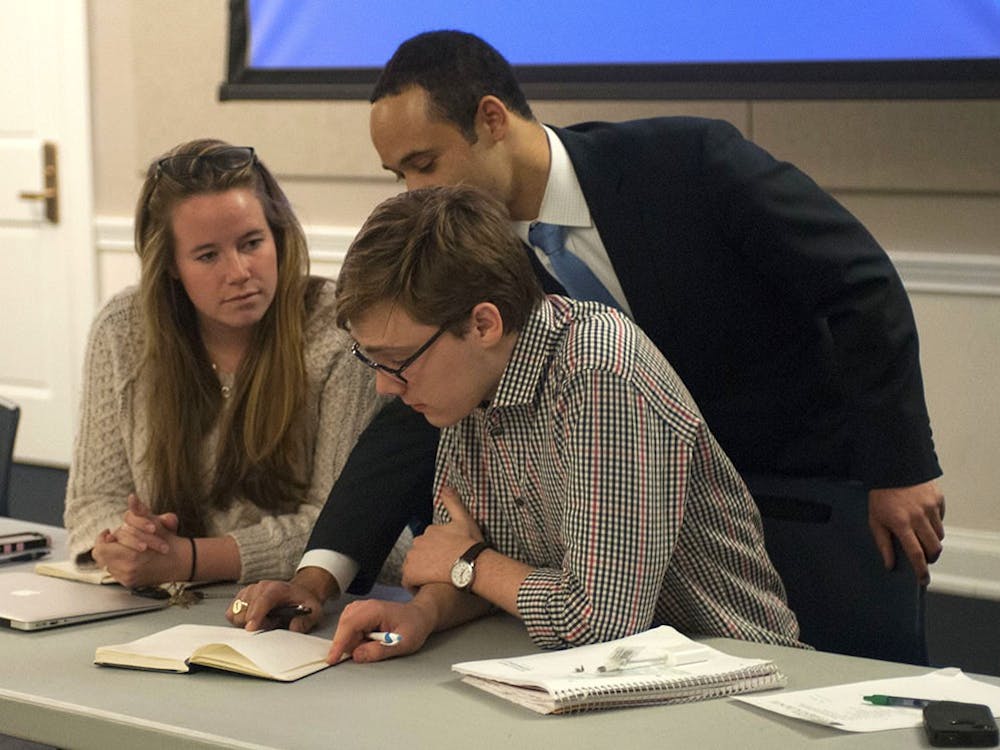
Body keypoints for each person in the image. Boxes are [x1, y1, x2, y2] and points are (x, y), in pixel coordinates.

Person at [231, 29, 945, 630]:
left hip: (805, 481)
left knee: (853, 694)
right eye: (399, 175)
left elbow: (857, 282)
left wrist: (901, 465)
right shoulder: (467, 261)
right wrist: (320, 575)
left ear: (491, 120)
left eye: (425, 163)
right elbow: (410, 410)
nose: (416, 192)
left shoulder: (686, 163)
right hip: (625, 538)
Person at [315, 185, 800, 660]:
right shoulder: (467, 389)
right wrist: (423, 614)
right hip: (598, 675)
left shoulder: (599, 372)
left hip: (737, 670)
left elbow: (598, 620)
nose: (385, 386)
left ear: (483, 325)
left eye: (398, 360)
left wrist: (469, 563)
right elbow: (470, 562)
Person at [63, 139, 385, 588]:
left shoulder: (336, 329)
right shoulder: (122, 329)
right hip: (163, 598)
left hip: (314, 599)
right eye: (208, 255)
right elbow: (93, 500)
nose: (238, 272)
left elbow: (343, 525)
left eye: (252, 243)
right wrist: (126, 541)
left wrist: (190, 559)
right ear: (171, 265)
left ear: (278, 237)